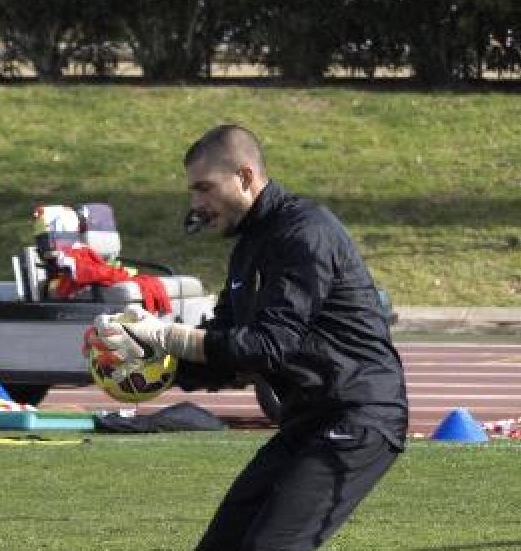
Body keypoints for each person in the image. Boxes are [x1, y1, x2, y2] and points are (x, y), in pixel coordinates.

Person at [92, 124, 408, 551]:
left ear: (244, 176)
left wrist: (166, 336)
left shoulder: (305, 232)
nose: (197, 204)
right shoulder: (248, 246)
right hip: (306, 420)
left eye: (204, 188)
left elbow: (269, 346)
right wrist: (148, 359)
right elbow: (227, 348)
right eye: (192, 192)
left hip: (357, 414)